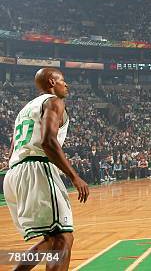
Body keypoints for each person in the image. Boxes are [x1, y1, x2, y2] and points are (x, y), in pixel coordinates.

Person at [3, 68, 89, 271]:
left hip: (15, 173)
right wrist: (74, 176)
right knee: (63, 238)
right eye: (63, 80)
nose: (66, 85)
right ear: (52, 82)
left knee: (51, 240)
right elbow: (48, 141)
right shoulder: (54, 101)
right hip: (37, 168)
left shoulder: (24, 110)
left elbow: (12, 149)